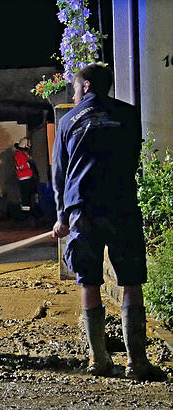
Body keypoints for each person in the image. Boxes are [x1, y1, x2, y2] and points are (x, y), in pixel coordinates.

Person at [52, 63, 165, 380]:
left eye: (74, 89)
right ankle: (137, 363)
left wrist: (62, 217)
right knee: (131, 281)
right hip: (122, 207)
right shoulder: (128, 115)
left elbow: (60, 175)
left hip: (83, 211)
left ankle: (98, 360)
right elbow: (132, 157)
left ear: (85, 86)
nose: (74, 96)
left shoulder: (67, 123)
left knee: (88, 282)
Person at [13, 137, 38, 213]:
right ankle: (26, 214)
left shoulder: (24, 155)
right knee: (26, 197)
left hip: (28, 178)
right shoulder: (19, 155)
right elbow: (22, 166)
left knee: (30, 196)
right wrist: (29, 164)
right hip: (24, 179)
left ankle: (29, 211)